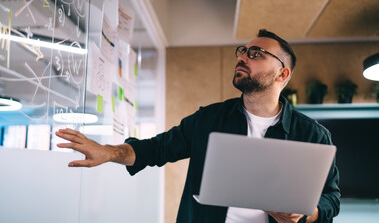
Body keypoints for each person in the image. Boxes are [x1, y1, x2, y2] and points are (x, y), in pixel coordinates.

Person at [56, 29, 340, 223]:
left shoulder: (313, 135)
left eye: (256, 54)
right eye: (243, 51)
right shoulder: (209, 119)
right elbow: (156, 149)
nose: (242, 57)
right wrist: (109, 152)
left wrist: (307, 214)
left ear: (283, 73)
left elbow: (332, 198)